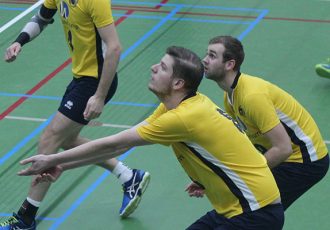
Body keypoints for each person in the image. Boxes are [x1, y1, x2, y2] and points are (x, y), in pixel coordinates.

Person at [18, 46, 284, 230]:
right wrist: (62, 165)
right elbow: (117, 146)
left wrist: (52, 158)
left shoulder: (183, 117)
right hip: (239, 208)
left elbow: (116, 143)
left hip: (253, 214)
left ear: (178, 83)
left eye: (163, 67)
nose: (153, 67)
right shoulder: (177, 105)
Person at [1, 0, 150, 229]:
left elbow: (115, 48)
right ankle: (129, 176)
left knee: (49, 139)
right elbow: (41, 19)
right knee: (68, 140)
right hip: (80, 77)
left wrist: (99, 95)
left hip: (95, 82)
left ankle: (25, 218)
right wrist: (19, 42)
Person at [202, 35, 329, 211]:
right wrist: (215, 176)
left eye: (212, 55)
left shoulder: (251, 97)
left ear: (229, 64)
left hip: (305, 159)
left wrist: (247, 174)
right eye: (207, 54)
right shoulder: (230, 97)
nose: (204, 60)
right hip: (286, 156)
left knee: (255, 210)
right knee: (246, 205)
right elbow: (244, 145)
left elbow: (283, 148)